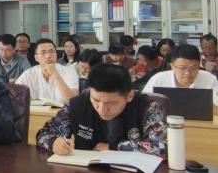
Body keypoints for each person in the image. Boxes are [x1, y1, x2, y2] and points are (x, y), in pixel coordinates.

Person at [36, 64, 166, 156]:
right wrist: (54, 143)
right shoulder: (77, 104)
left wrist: (113, 148)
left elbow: (162, 147)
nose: (102, 109)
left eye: (111, 103)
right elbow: (44, 133)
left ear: (129, 96)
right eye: (96, 100)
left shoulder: (146, 106)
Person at [143, 44, 218, 121]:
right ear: (172, 66)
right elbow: (142, 104)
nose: (187, 73)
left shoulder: (208, 78)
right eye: (182, 68)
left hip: (200, 128)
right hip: (165, 128)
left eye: (194, 68)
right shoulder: (159, 79)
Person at [16, 38, 79, 104]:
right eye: (43, 52)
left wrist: (55, 74)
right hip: (36, 110)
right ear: (36, 57)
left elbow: (72, 100)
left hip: (63, 110)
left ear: (56, 55)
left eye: (52, 52)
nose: (48, 56)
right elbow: (15, 96)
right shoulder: (28, 74)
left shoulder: (69, 72)